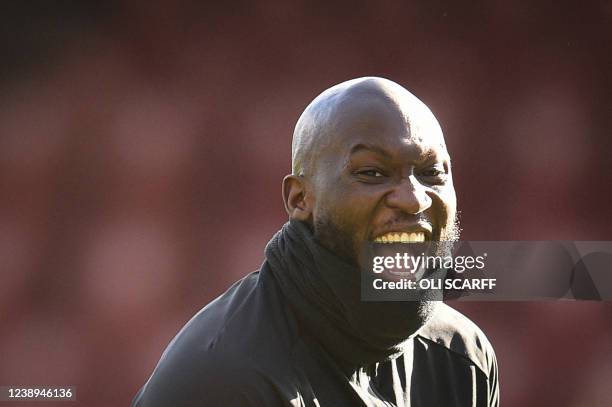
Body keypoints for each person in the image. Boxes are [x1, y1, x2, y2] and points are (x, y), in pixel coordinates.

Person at [132, 77, 499, 406]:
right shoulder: (223, 380)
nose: (414, 199)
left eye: (431, 173)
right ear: (299, 199)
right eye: (371, 172)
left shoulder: (463, 359)